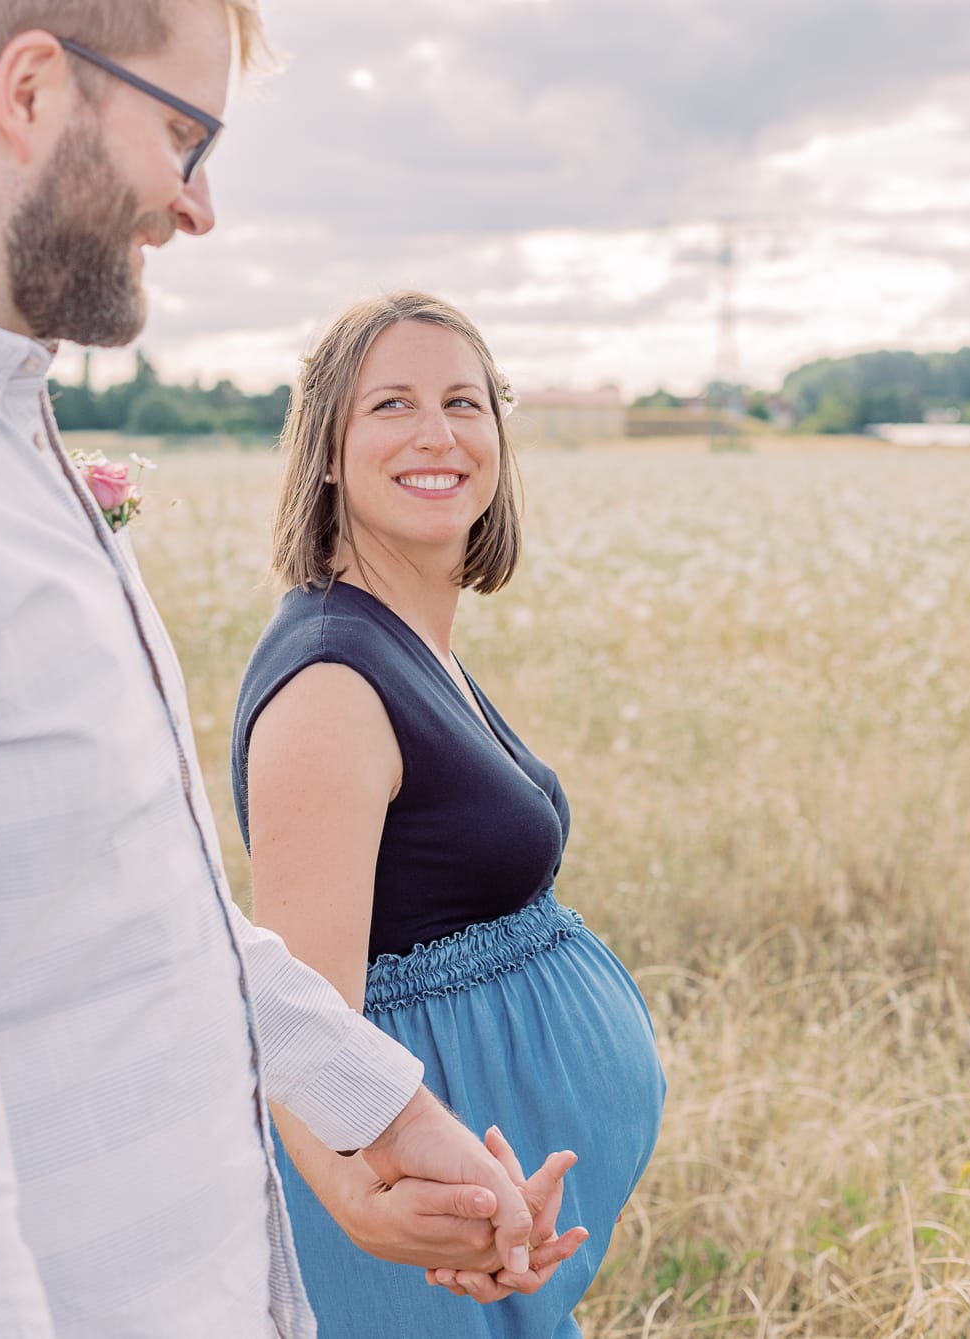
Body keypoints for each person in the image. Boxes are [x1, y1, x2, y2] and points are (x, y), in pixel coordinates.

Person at [0, 0, 577, 1338]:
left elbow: (119, 892)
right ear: (30, 90)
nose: (199, 203)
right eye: (181, 131)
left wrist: (371, 1091)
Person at [231, 291, 667, 1335]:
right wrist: (388, 1207)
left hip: (489, 1234)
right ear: (328, 451)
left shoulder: (405, 638)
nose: (439, 434)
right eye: (392, 405)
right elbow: (301, 1023)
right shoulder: (330, 687)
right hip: (418, 1262)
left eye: (465, 402)